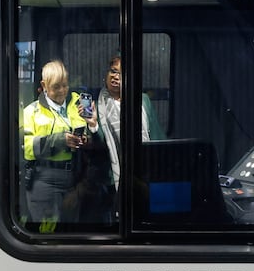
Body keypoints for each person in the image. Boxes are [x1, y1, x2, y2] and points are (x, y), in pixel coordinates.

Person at [21, 60, 99, 232]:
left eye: (65, 85)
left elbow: (97, 144)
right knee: (48, 234)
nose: (63, 91)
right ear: (44, 85)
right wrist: (60, 140)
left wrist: (92, 128)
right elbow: (27, 148)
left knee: (71, 234)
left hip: (75, 179)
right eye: (56, 87)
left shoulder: (79, 104)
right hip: (44, 179)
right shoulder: (31, 112)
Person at [94, 54, 164, 189]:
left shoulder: (143, 100)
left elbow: (156, 135)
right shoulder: (97, 106)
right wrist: (93, 125)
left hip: (143, 169)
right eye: (113, 71)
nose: (115, 76)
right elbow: (99, 145)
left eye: (121, 74)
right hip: (110, 174)